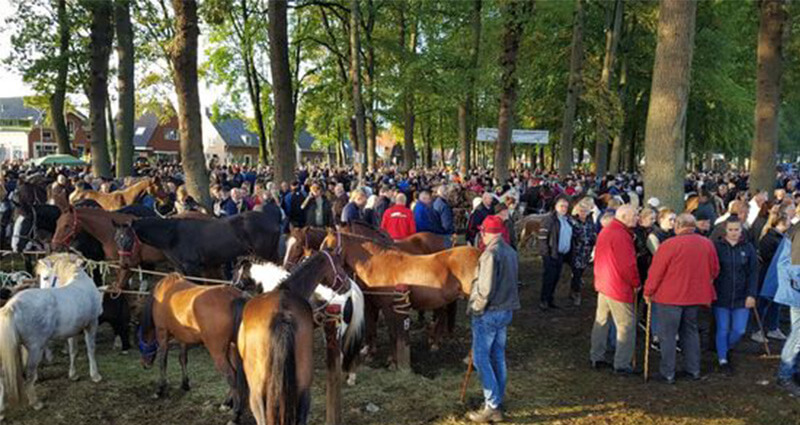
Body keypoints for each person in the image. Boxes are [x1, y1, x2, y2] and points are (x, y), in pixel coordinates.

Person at [644, 214, 720, 384]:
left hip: (670, 297)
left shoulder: (669, 245)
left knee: (668, 335)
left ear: (678, 226)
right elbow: (715, 269)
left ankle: (668, 372)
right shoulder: (707, 244)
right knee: (690, 332)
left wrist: (648, 291)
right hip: (695, 297)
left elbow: (656, 272)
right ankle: (693, 369)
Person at [466, 215, 520, 423]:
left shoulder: (490, 254)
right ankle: (497, 399)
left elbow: (485, 289)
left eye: (482, 231)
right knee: (497, 355)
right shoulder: (511, 251)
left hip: (489, 312)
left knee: (481, 358)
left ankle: (492, 405)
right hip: (506, 310)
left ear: (486, 232)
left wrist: (476, 308)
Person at [590, 205, 640, 374]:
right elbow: (627, 265)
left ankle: (597, 356)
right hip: (617, 286)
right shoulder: (621, 235)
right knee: (626, 324)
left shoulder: (608, 231)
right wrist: (636, 282)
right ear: (624, 216)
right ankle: (622, 363)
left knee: (602, 321)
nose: (637, 218)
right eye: (634, 215)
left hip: (604, 283)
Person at [712, 217, 758, 375]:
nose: (733, 233)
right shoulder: (717, 247)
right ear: (725, 230)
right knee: (722, 328)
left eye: (736, 230)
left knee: (739, 329)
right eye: (730, 230)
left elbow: (753, 273)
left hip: (742, 296)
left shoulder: (748, 247)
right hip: (721, 295)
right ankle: (722, 359)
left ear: (741, 230)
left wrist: (751, 294)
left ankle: (725, 346)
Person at [753, 213, 791, 344]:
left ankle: (773, 327)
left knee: (776, 302)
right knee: (764, 302)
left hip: (777, 273)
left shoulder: (781, 237)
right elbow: (766, 256)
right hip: (767, 273)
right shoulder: (769, 237)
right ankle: (757, 330)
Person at [770, 227, 800, 396]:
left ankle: (793, 373)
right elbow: (796, 270)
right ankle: (785, 375)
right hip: (797, 293)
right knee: (797, 337)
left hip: (795, 291)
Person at [537, 195, 572, 310]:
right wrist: (546, 255)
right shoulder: (549, 219)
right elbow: (542, 238)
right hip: (551, 254)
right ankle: (544, 301)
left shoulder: (566, 220)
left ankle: (550, 299)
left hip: (561, 254)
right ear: (555, 206)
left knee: (556, 277)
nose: (564, 208)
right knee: (549, 278)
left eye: (566, 207)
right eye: (561, 206)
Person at [568, 197, 597, 306]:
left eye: (585, 211)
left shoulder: (590, 221)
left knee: (581, 271)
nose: (583, 213)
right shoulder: (573, 221)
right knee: (577, 273)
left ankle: (572, 290)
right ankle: (576, 293)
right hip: (576, 251)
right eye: (581, 211)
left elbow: (593, 232)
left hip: (587, 251)